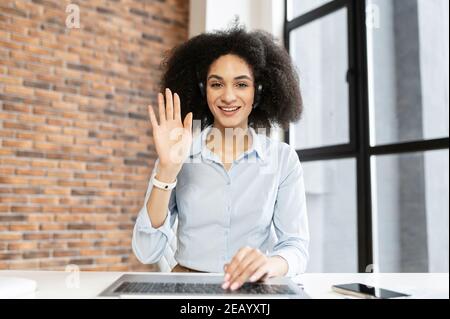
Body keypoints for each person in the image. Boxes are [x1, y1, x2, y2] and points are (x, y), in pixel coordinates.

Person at [132, 25, 309, 291]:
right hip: (187, 290)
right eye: (217, 84)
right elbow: (146, 252)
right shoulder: (179, 152)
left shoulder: (282, 159)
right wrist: (167, 170)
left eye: (241, 84)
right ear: (203, 90)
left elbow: (295, 247)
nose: (228, 96)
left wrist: (269, 265)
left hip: (253, 290)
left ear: (258, 91)